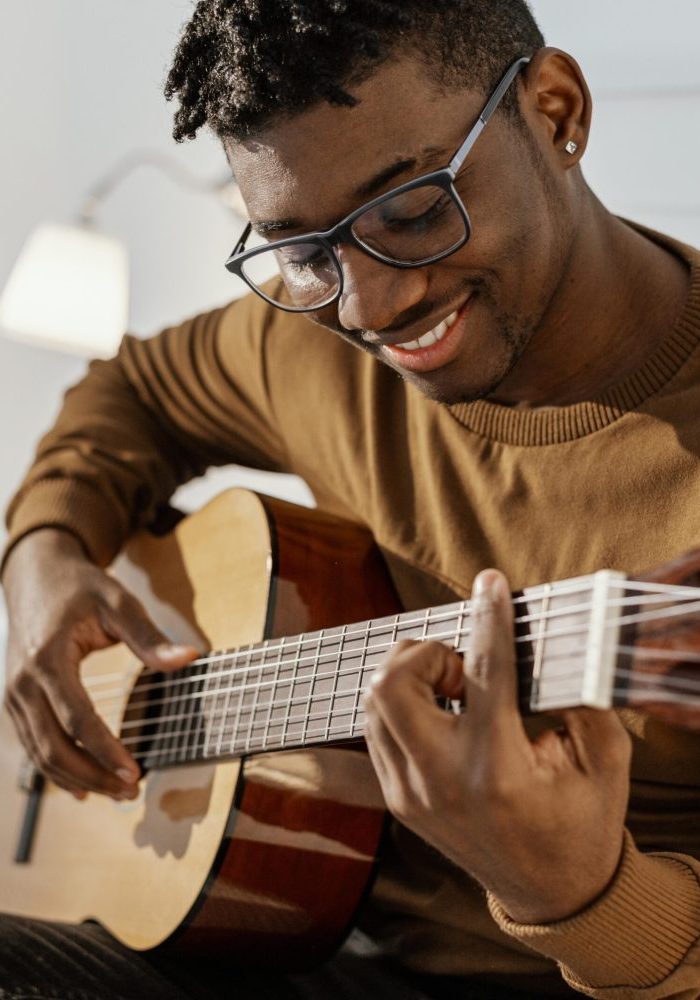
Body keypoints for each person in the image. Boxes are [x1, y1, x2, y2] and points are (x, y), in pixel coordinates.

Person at [2, 1, 700, 997]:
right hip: (293, 932)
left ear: (554, 113)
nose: (368, 308)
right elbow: (131, 390)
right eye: (303, 253)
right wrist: (43, 557)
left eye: (413, 211)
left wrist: (578, 891)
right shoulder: (305, 344)